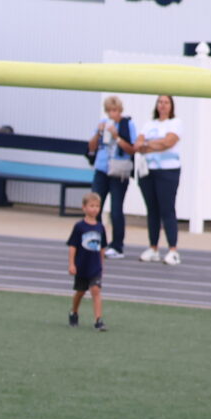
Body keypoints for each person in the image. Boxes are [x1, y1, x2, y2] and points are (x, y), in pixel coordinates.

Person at [135, 94, 183, 265]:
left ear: (171, 105)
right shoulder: (149, 124)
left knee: (167, 209)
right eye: (160, 102)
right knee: (152, 210)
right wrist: (154, 144)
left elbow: (168, 143)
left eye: (166, 102)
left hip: (168, 171)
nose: (162, 105)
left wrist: (148, 144)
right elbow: (138, 144)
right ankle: (153, 247)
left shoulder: (175, 123)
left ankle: (173, 249)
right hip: (148, 171)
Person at [87, 96, 135, 259]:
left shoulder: (128, 125)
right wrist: (99, 132)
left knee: (116, 210)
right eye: (109, 111)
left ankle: (117, 246)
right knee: (95, 207)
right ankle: (97, 242)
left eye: (114, 110)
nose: (111, 114)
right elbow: (91, 147)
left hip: (118, 172)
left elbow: (131, 149)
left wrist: (117, 136)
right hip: (102, 169)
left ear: (120, 111)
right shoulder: (103, 123)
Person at [67, 191, 108, 331]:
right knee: (80, 292)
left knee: (96, 290)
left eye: (97, 206)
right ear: (84, 207)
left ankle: (98, 320)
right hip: (82, 265)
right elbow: (73, 246)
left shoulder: (100, 227)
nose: (95, 209)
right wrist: (72, 264)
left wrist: (101, 264)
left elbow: (102, 247)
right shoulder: (79, 227)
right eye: (92, 206)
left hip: (94, 266)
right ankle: (74, 312)